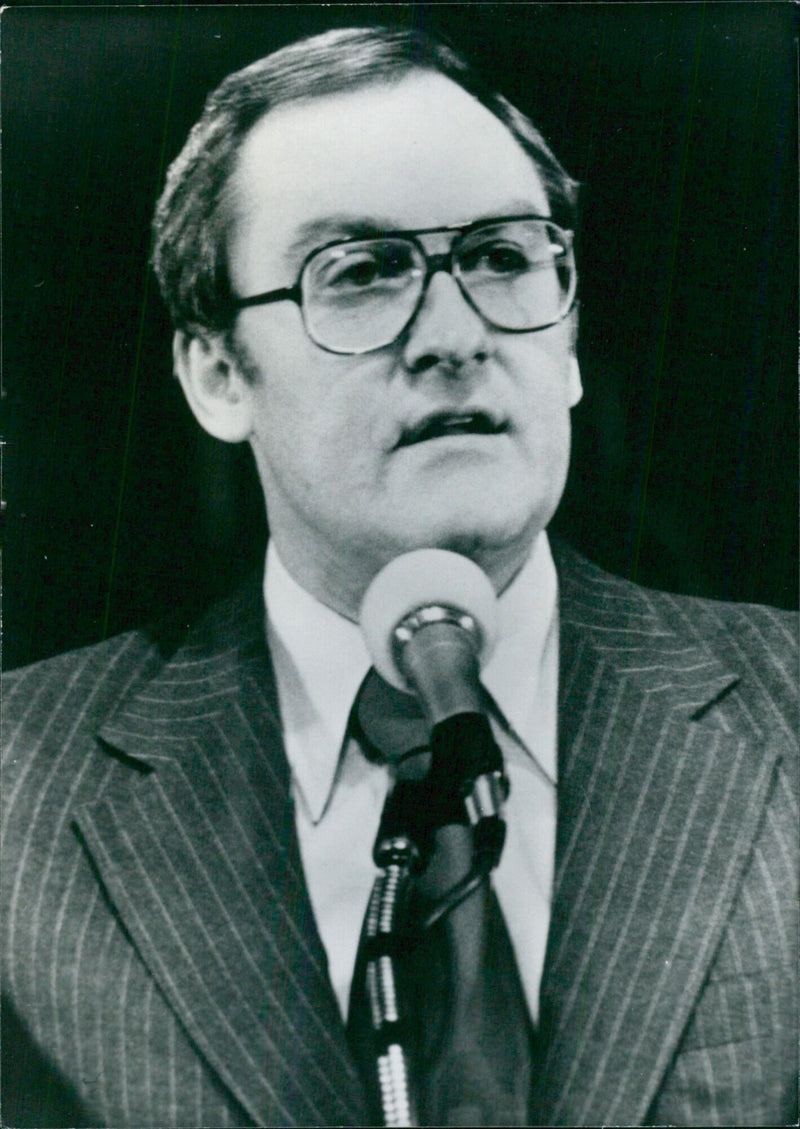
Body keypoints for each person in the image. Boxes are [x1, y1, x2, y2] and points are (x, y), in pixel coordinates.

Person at [2, 25, 796, 1128]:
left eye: (501, 257)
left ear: (566, 341)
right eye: (364, 272)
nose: (455, 334)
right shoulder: (16, 799)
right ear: (219, 373)